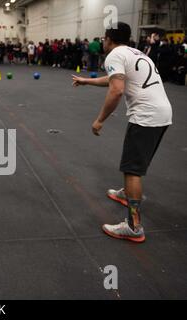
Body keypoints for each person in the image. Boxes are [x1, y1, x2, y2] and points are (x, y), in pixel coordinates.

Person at [72, 22, 172, 243]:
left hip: (146, 116)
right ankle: (127, 193)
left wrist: (100, 120)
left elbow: (116, 90)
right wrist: (87, 81)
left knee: (132, 170)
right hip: (162, 113)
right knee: (134, 164)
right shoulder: (136, 53)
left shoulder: (115, 54)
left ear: (108, 38)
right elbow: (114, 79)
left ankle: (134, 227)